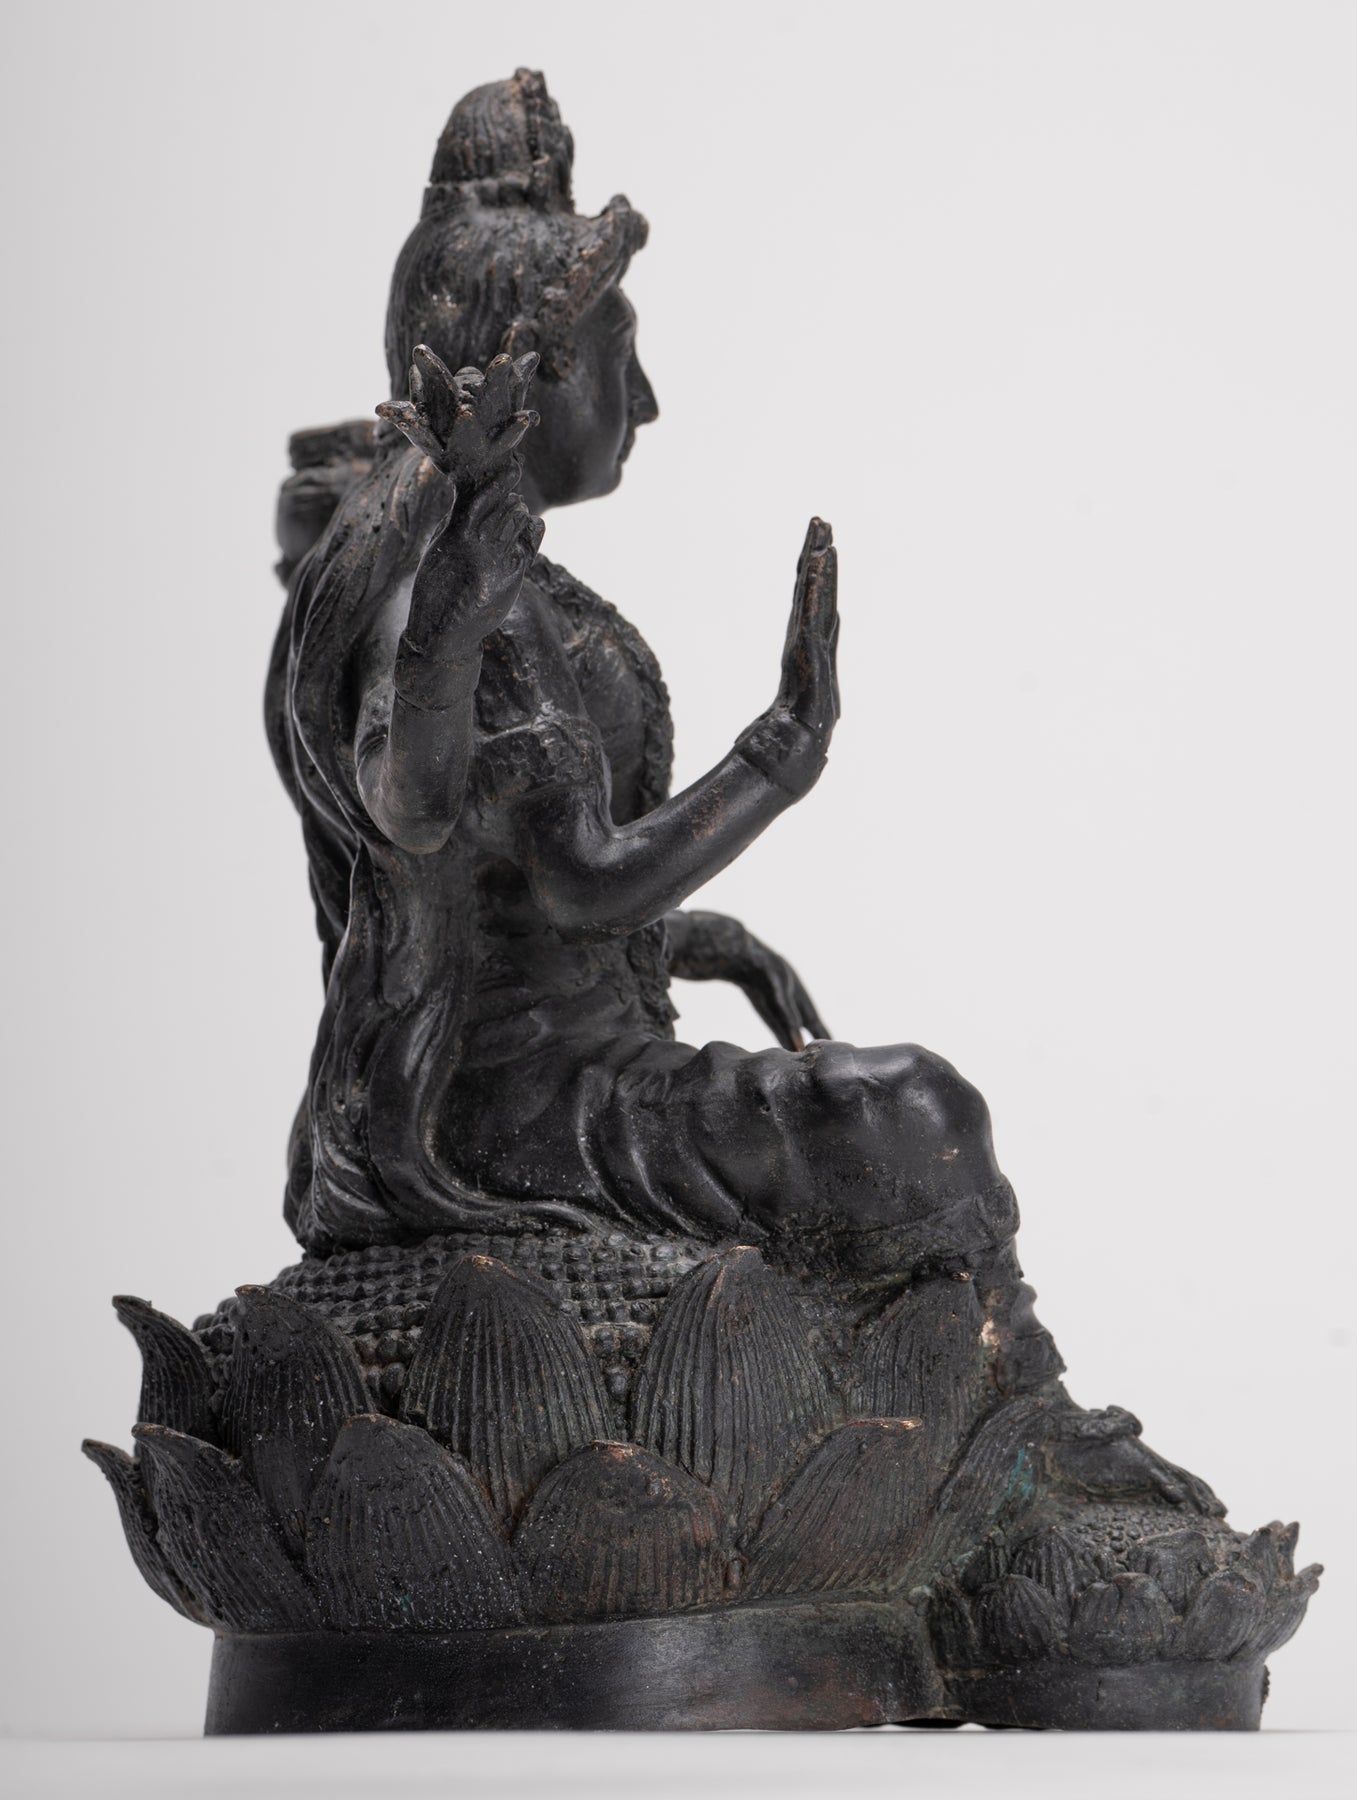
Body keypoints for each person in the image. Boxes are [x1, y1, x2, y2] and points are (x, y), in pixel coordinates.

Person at [270, 70, 1219, 1511]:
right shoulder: (456, 597)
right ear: (529, 379)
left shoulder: (488, 579)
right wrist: (781, 751)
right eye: (619, 358)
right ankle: (1016, 1419)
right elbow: (570, 875)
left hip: (569, 1062)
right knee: (914, 1110)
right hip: (528, 1113)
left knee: (887, 1114)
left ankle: (987, 1410)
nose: (647, 401)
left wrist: (698, 940)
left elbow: (511, 887)